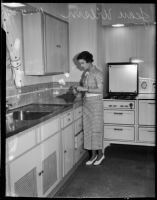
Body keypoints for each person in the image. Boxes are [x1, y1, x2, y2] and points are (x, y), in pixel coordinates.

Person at [76, 51, 104, 165]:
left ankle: (100, 154)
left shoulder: (98, 73)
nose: (81, 66)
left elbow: (100, 90)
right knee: (88, 129)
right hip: (87, 103)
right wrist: (79, 90)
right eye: (80, 63)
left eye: (82, 63)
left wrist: (84, 89)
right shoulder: (86, 73)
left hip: (96, 104)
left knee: (96, 129)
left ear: (89, 62)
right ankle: (92, 155)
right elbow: (85, 87)